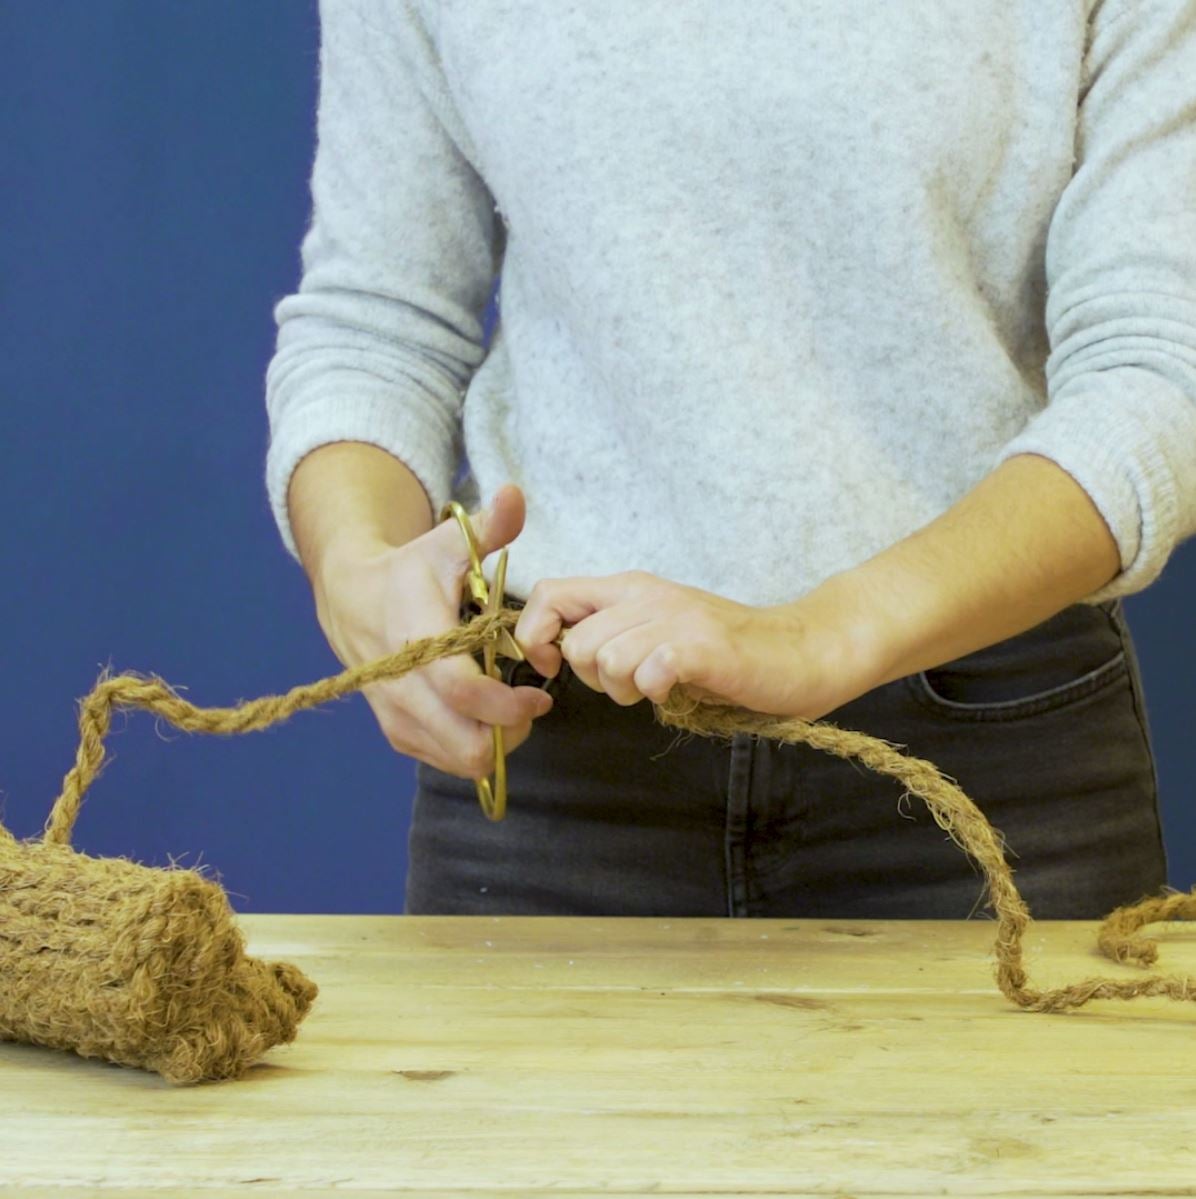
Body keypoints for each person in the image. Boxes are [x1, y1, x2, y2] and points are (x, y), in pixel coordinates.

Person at [265, 1, 1196, 920]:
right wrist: (355, 568)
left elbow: (1162, 367)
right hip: (553, 752)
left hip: (990, 754)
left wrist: (821, 632)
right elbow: (378, 324)